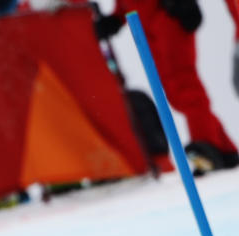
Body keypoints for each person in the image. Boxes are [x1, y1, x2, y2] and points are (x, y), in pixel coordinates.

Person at [97, 0, 239, 172]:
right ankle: (223, 149)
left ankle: (206, 145)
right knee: (174, 93)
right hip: (145, 27)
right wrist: (116, 18)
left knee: (184, 86)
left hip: (168, 16)